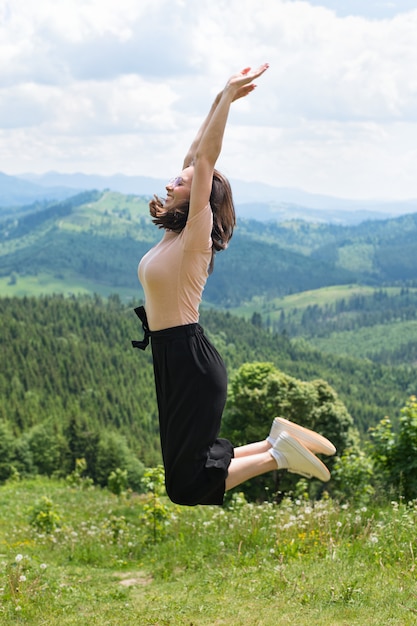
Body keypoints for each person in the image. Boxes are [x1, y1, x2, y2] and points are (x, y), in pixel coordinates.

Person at [133, 64, 336, 506]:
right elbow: (194, 157)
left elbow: (204, 161)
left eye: (180, 183)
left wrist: (226, 100)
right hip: (174, 358)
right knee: (187, 468)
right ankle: (274, 443)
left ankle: (276, 455)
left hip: (188, 358)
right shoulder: (174, 233)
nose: (171, 181)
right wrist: (216, 99)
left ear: (202, 197)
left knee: (186, 485)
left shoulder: (194, 238)